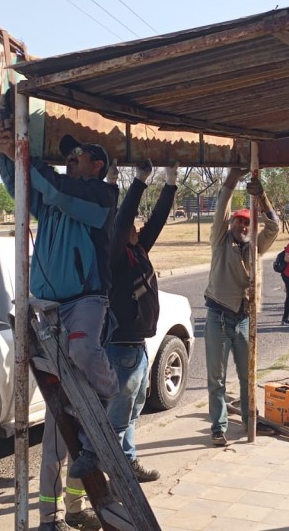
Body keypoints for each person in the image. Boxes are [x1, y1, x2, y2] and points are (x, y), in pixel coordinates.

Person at [0, 121, 119, 531]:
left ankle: (106, 393)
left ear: (96, 164)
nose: (69, 160)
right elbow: (23, 190)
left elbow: (56, 189)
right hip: (46, 309)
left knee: (84, 350)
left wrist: (23, 155)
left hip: (84, 301)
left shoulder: (101, 195)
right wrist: (5, 153)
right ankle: (49, 519)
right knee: (55, 423)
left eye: (76, 155)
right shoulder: (53, 199)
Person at [105, 159, 178, 484]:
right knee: (118, 418)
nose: (136, 225)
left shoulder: (138, 249)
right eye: (130, 224)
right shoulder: (116, 253)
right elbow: (121, 222)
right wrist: (138, 181)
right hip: (120, 348)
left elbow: (158, 221)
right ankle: (114, 474)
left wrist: (171, 183)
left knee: (133, 412)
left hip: (137, 346)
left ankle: (128, 464)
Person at [203, 168, 279, 446]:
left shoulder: (254, 248)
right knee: (217, 379)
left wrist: (261, 197)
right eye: (239, 223)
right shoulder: (220, 242)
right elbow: (221, 209)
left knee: (248, 376)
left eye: (248, 224)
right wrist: (232, 180)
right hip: (218, 316)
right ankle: (218, 427)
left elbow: (275, 226)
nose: (243, 227)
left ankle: (250, 421)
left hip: (244, 319)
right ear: (232, 225)